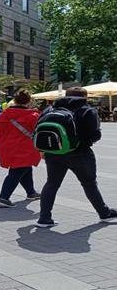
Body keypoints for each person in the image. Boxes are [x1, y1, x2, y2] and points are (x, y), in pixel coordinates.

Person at [37, 87, 117, 227]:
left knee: (52, 184)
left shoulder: (50, 109)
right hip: (80, 153)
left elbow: (38, 129)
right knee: (89, 184)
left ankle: (44, 218)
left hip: (54, 153)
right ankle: (104, 213)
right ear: (84, 97)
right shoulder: (87, 110)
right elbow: (94, 135)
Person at [0, 89, 41, 208]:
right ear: (29, 101)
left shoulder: (4, 115)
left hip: (7, 148)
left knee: (25, 169)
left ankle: (31, 192)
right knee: (16, 172)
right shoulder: (34, 116)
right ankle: (3, 197)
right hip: (25, 148)